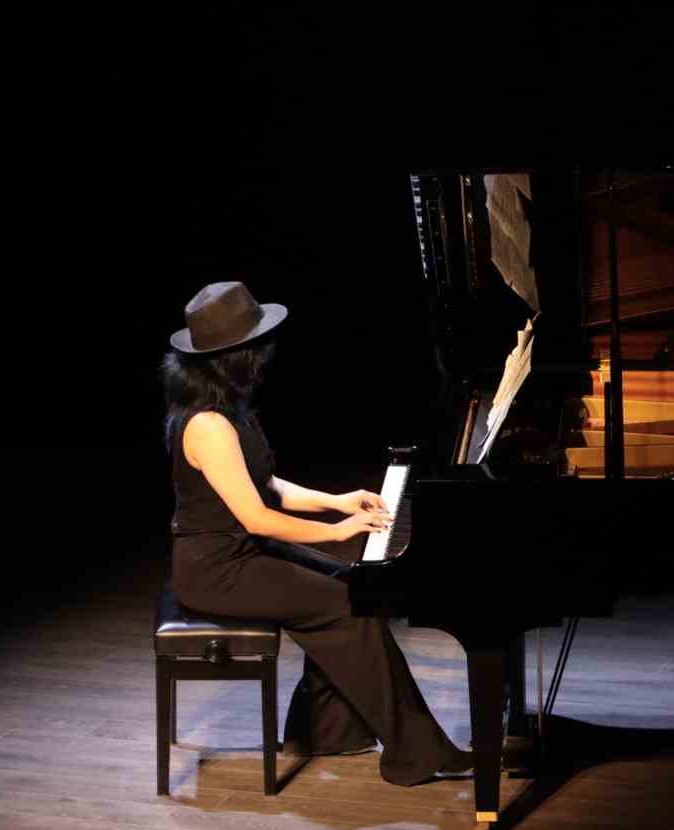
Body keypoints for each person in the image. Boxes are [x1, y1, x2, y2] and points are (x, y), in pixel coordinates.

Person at [162, 280, 472, 785]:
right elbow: (257, 517)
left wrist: (337, 501)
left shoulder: (231, 410)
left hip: (243, 554)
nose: (267, 352)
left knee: (358, 590)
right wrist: (337, 531)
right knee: (345, 604)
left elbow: (269, 487)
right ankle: (419, 753)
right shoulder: (208, 426)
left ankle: (329, 733)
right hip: (217, 571)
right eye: (258, 344)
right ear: (237, 356)